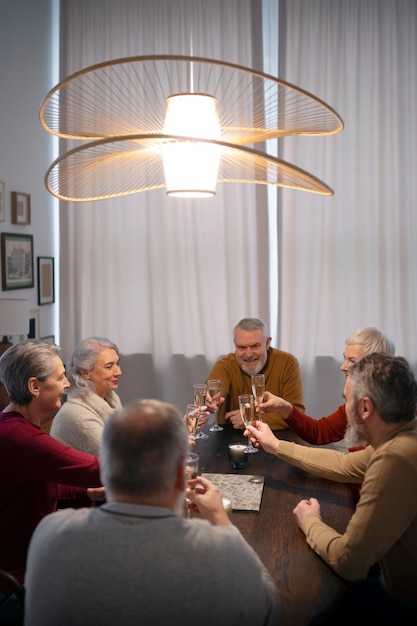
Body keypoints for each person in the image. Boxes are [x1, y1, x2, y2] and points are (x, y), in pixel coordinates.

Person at [24, 399, 280, 626]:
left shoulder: (49, 533)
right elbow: (270, 608)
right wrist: (221, 521)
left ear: (105, 468)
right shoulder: (218, 547)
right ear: (183, 476)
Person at [246, 353, 417, 624]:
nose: (343, 407)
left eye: (346, 399)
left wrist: (310, 521)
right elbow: (344, 464)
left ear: (365, 408)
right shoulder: (404, 436)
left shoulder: (394, 459)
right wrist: (275, 445)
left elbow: (349, 561)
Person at [0, 340, 104, 622]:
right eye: (59, 378)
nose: (67, 384)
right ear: (34, 387)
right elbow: (97, 468)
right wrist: (161, 452)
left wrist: (89, 494)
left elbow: (38, 486)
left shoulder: (11, 427)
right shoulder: (23, 439)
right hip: (15, 582)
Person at [259, 327, 395, 450]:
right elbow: (319, 432)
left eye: (352, 361)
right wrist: (285, 408)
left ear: (375, 365)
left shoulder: (395, 413)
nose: (343, 367)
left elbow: (350, 466)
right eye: (345, 359)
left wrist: (277, 446)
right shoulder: (356, 403)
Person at [207, 317, 305, 430]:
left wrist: (250, 418)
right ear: (235, 345)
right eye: (242, 347)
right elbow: (216, 384)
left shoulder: (287, 363)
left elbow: (297, 414)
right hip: (233, 441)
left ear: (267, 343)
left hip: (277, 440)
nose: (248, 354)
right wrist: (211, 398)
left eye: (255, 346)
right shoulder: (226, 364)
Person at [50, 337, 123, 455]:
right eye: (109, 367)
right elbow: (117, 457)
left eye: (117, 364)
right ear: (86, 372)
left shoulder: (111, 400)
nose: (118, 372)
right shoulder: (76, 414)